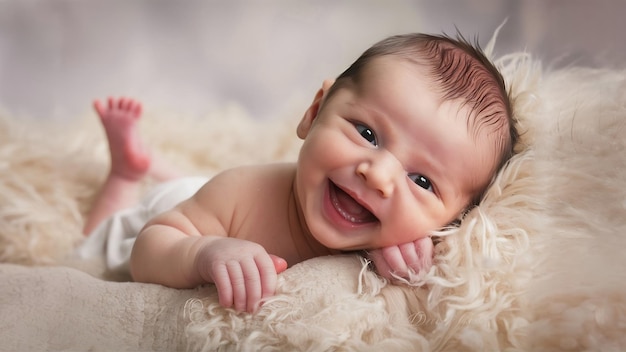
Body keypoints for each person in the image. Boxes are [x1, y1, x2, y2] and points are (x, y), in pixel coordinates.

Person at [78, 33, 517, 313]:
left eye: (422, 181)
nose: (378, 175)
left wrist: (393, 260)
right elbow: (147, 251)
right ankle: (127, 174)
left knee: (188, 184)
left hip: (200, 199)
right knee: (97, 243)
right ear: (314, 112)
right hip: (181, 216)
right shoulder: (241, 191)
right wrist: (203, 253)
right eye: (367, 132)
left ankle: (154, 164)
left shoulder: (401, 237)